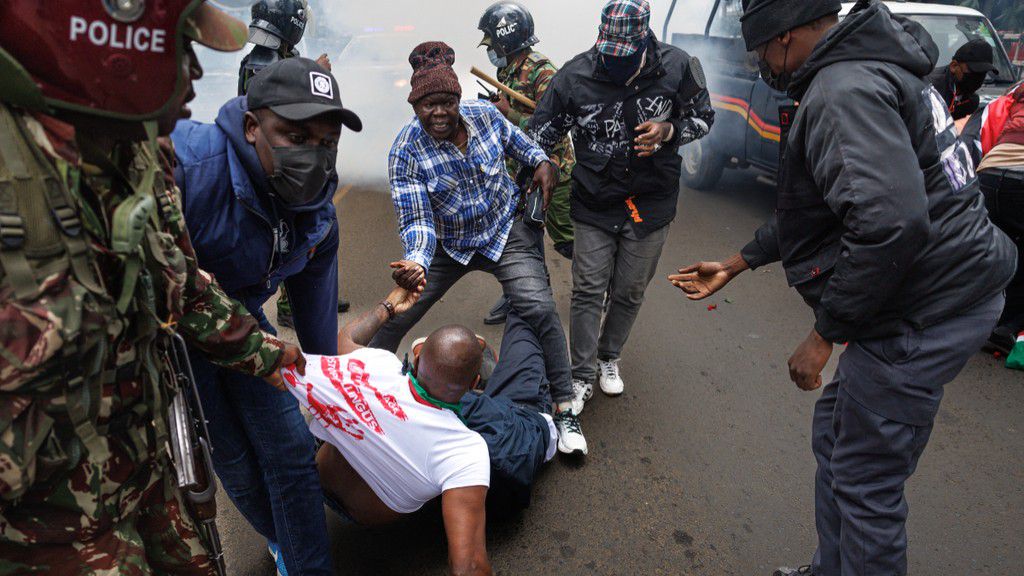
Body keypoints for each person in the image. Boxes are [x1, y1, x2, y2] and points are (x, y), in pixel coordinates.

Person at [669, 1, 1016, 574]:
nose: (762, 64)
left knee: (864, 480)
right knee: (837, 437)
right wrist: (739, 260)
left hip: (927, 307)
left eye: (760, 50)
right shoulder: (874, 63)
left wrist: (825, 334)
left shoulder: (841, 90)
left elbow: (889, 223)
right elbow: (830, 207)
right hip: (949, 286)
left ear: (786, 37)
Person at [0, 1, 306, 573]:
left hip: (141, 470)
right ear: (106, 51)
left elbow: (178, 281)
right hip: (42, 526)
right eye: (177, 50)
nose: (193, 73)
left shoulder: (143, 148)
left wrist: (266, 352)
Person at [171, 57, 361, 575]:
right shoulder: (187, 166)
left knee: (291, 449)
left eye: (326, 143)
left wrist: (323, 388)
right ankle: (284, 542)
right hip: (175, 335)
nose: (313, 156)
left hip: (246, 326)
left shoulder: (318, 213)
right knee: (231, 455)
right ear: (253, 126)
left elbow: (315, 309)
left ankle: (306, 565)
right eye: (294, 135)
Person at [374, 41, 589, 455]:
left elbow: (521, 146)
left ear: (458, 98)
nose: (437, 113)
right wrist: (416, 264)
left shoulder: (486, 116)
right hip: (447, 246)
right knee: (395, 317)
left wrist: (543, 162)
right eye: (426, 105)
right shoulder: (405, 152)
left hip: (502, 231)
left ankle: (564, 406)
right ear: (414, 105)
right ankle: (367, 396)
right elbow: (417, 221)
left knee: (539, 308)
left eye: (445, 102)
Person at [279, 284, 559, 576]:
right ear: (473, 383)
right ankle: (526, 303)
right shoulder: (466, 452)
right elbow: (468, 567)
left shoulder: (377, 365)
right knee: (525, 389)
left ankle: (520, 310)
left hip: (321, 484)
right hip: (503, 426)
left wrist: (389, 305)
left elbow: (346, 337)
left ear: (415, 357)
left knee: (478, 409)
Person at [527, 0, 714, 402]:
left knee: (629, 291)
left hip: (651, 202)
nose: (613, 63)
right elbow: (540, 134)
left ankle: (608, 356)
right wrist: (542, 165)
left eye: (623, 56)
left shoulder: (678, 66)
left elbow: (704, 118)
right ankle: (579, 375)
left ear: (644, 38)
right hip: (595, 200)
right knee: (588, 290)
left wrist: (668, 131)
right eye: (607, 52)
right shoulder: (574, 75)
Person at [238, 0, 350, 326]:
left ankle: (303, 297)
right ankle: (288, 306)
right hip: (279, 164)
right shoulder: (263, 61)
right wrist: (315, 72)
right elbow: (279, 110)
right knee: (295, 232)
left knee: (300, 231)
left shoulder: (279, 55)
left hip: (290, 160)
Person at [477, 1, 577, 325]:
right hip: (518, 171)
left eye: (492, 43)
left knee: (565, 238)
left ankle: (597, 284)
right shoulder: (505, 70)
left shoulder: (543, 70)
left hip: (553, 168)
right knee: (521, 237)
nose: (490, 51)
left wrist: (510, 114)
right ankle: (523, 295)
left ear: (507, 38)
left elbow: (556, 122)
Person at [962, 81, 1024, 355]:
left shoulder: (1018, 90)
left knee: (995, 251)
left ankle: (973, 321)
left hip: (991, 170)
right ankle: (1008, 328)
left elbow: (989, 123)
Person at [927, 38, 1000, 121]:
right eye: (973, 71)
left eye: (983, 73)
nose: (977, 77)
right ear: (954, 66)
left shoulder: (971, 102)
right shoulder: (930, 88)